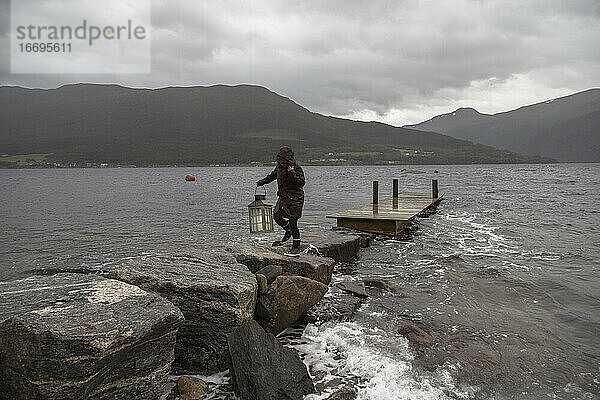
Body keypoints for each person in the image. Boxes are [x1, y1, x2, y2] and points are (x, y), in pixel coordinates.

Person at [256, 146, 305, 257]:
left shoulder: (296, 168)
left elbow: (301, 183)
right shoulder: (279, 167)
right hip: (283, 197)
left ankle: (296, 246)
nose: (281, 163)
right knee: (276, 216)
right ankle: (288, 231)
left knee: (293, 222)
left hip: (295, 198)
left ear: (288, 160)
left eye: (283, 161)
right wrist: (262, 182)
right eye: (280, 160)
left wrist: (292, 172)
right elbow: (272, 176)